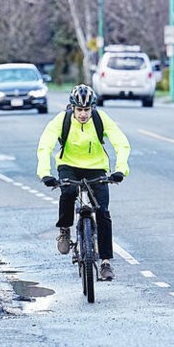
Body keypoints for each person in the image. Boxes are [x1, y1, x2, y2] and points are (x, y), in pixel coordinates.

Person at [36, 84, 130, 281]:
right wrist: (45, 173)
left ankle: (105, 262)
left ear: (92, 108)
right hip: (68, 165)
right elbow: (45, 145)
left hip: (96, 167)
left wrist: (120, 169)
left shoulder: (100, 119)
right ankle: (64, 229)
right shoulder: (61, 120)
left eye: (87, 110)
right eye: (79, 110)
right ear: (72, 108)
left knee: (103, 211)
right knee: (68, 192)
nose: (83, 114)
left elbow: (121, 143)